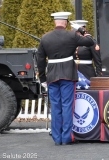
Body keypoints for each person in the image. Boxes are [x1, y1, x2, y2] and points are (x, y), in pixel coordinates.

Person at [37, 12, 94, 146]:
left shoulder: (45, 38)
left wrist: (43, 78)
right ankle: (67, 137)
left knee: (56, 107)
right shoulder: (72, 35)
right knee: (67, 106)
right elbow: (90, 41)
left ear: (55, 22)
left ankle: (57, 138)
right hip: (68, 75)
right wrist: (82, 31)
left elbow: (40, 60)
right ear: (66, 22)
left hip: (51, 76)